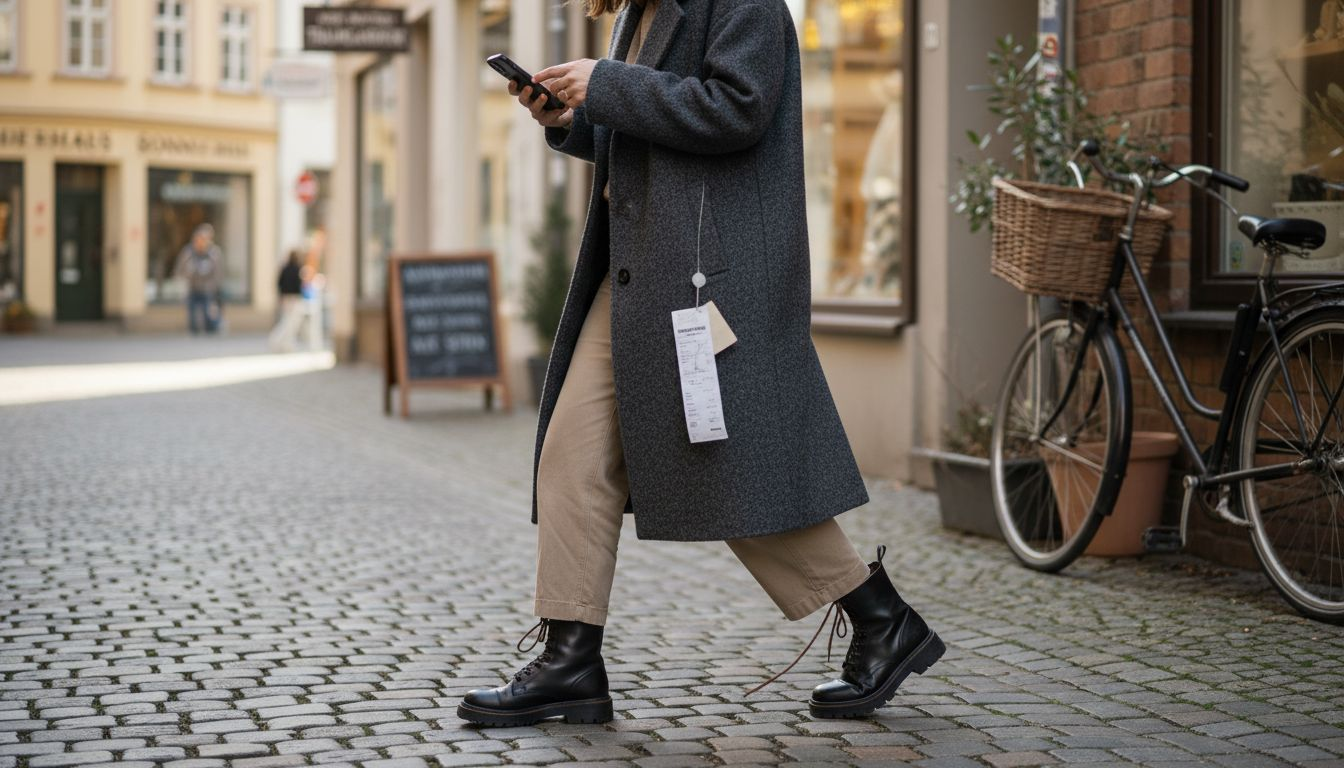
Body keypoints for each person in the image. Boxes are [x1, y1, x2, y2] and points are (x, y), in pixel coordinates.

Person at [456, 0, 944, 727]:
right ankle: (570, 660)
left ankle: (881, 618)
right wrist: (572, 120)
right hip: (639, 275)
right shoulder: (641, 12)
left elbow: (737, 111)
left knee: (727, 468)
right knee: (571, 457)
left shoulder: (744, 5)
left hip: (706, 280)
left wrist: (607, 85)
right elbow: (651, 136)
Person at [174, 223, 223, 335]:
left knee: (208, 313)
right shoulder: (188, 252)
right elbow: (180, 269)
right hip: (192, 288)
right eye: (198, 240)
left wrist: (215, 286)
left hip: (207, 289)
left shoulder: (214, 253)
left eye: (203, 240)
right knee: (192, 314)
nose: (200, 242)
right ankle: (194, 333)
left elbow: (218, 272)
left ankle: (210, 332)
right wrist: (185, 276)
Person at [268, 250, 306, 352]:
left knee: (287, 320)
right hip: (294, 298)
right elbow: (298, 285)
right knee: (290, 322)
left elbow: (279, 283)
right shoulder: (297, 269)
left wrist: (280, 296)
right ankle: (279, 341)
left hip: (285, 298)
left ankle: (284, 343)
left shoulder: (284, 268)